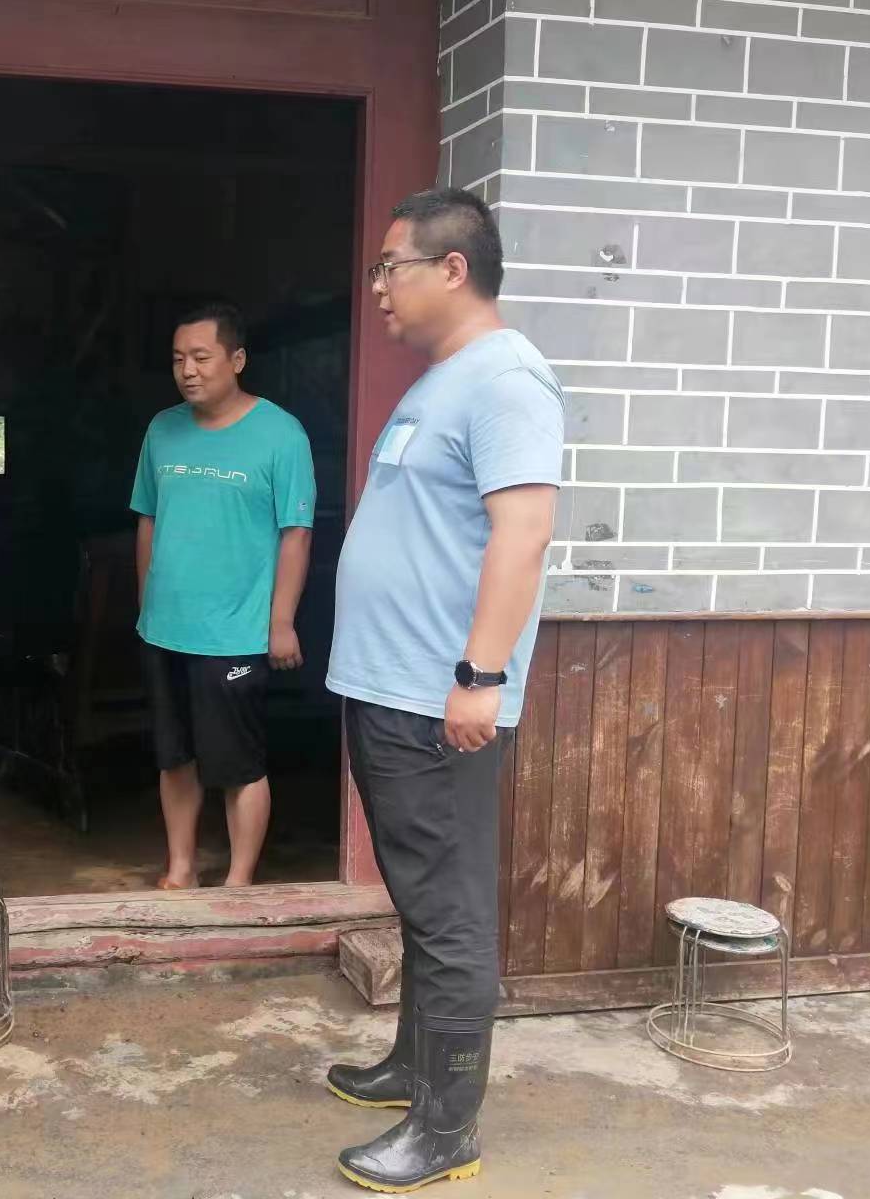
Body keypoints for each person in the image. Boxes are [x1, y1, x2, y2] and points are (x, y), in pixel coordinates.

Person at [324, 188, 563, 1192]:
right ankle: (410, 1069)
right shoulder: (442, 382)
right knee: (421, 900)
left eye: (392, 266)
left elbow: (524, 533)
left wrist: (480, 676)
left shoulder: (506, 380)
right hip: (391, 689)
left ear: (452, 269)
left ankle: (445, 1127)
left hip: (437, 700)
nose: (378, 285)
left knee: (449, 910)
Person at [130, 302, 316, 890]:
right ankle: (181, 869)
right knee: (174, 757)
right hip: (165, 628)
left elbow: (296, 533)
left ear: (236, 359)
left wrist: (281, 622)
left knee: (239, 764)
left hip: (235, 631)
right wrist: (146, 605)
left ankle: (238, 885)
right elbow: (147, 520)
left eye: (201, 357)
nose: (187, 370)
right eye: (178, 359)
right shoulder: (162, 429)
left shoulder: (281, 434)